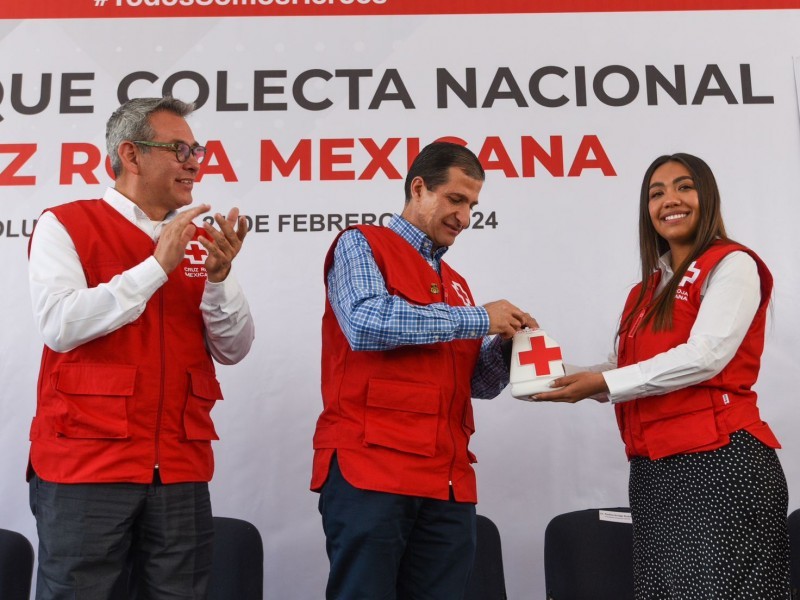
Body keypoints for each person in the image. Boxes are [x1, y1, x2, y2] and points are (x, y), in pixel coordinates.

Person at [27, 96, 255, 599]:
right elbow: (60, 324)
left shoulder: (201, 240)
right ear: (130, 155)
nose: (195, 162)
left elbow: (235, 348)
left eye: (197, 149)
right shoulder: (64, 223)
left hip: (178, 469)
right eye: (179, 149)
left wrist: (219, 280)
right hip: (86, 467)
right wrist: (156, 267)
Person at [535, 153, 789, 598]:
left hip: (722, 462)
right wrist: (545, 373)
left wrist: (605, 384)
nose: (670, 200)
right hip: (655, 472)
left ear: (706, 196)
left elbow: (706, 355)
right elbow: (619, 368)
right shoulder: (646, 290)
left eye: (684, 187)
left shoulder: (732, 264)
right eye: (656, 193)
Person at [310, 141, 538, 600]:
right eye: (456, 199)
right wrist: (480, 318)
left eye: (472, 205)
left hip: (447, 482)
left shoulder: (457, 284)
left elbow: (477, 384)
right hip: (372, 470)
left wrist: (506, 347)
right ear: (418, 188)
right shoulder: (361, 243)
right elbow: (366, 323)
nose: (465, 216)